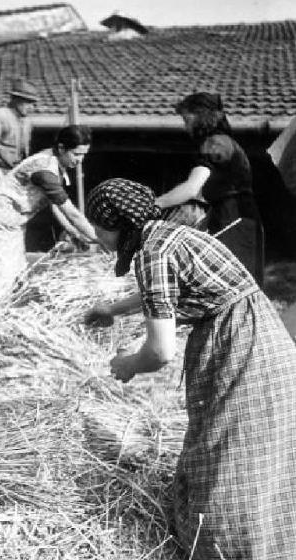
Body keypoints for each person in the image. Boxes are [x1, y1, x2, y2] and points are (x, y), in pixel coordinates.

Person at [85, 178, 296, 560]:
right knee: (263, 450)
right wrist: (112, 310)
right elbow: (160, 290)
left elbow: (161, 351)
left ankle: (230, 549)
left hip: (243, 348)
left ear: (117, 223)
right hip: (263, 337)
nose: (97, 235)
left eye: (99, 226)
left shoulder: (151, 252)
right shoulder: (170, 235)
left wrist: (128, 364)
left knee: (231, 452)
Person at [0, 125, 98, 307]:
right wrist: (97, 238)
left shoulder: (56, 164)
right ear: (61, 148)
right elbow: (71, 213)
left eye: (84, 155)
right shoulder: (44, 168)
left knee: (16, 272)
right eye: (76, 154)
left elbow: (55, 206)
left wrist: (75, 234)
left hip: (13, 223)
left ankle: (5, 314)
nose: (80, 160)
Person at [156, 91, 264, 284]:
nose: (185, 126)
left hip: (232, 217)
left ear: (202, 116)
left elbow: (191, 188)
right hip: (240, 215)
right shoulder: (225, 142)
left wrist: (156, 203)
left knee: (230, 283)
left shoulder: (215, 144)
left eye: (187, 119)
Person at [0, 77, 38, 191]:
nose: (32, 107)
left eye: (33, 103)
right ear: (16, 100)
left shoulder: (27, 122)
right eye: (28, 102)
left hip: (15, 174)